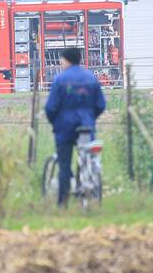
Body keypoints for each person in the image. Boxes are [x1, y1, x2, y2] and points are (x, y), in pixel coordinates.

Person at [44, 47, 106, 207]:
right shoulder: (91, 78)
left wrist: (54, 122)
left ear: (65, 60)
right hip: (86, 125)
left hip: (64, 127)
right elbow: (100, 104)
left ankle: (63, 202)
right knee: (86, 155)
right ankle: (86, 186)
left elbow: (51, 107)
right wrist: (91, 118)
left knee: (64, 164)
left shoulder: (59, 80)